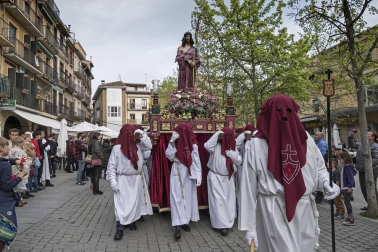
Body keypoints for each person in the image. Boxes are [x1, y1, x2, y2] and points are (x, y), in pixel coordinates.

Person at [239, 94, 340, 252]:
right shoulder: (256, 144)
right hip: (274, 209)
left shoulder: (306, 139)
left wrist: (327, 182)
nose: (284, 115)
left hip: (305, 206)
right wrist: (249, 227)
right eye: (278, 110)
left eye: (288, 110)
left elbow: (319, 168)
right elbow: (248, 187)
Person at [107, 125, 153, 240]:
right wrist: (112, 181)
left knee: (135, 203)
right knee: (121, 204)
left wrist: (142, 135)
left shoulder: (139, 145)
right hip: (122, 179)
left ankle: (132, 221)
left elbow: (149, 146)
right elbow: (111, 166)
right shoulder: (117, 148)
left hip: (136, 178)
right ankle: (119, 228)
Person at [166, 123, 202, 239]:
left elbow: (196, 160)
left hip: (188, 172)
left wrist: (198, 175)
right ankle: (177, 225)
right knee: (176, 197)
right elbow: (170, 156)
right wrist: (172, 142)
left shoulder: (193, 145)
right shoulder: (175, 143)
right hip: (177, 170)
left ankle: (185, 221)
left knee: (187, 197)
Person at [204, 127, 241, 236]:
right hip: (215, 177)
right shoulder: (215, 145)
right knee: (217, 202)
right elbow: (207, 146)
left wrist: (231, 154)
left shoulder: (233, 147)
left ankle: (228, 222)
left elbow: (239, 161)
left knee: (228, 202)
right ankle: (220, 225)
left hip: (228, 178)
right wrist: (218, 134)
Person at [0, 137, 25, 251]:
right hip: (3, 200)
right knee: (4, 230)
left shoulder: (4, 163)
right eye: (7, 147)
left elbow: (6, 160)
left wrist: (15, 161)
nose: (9, 149)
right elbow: (6, 186)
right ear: (1, 148)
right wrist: (20, 176)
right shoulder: (4, 166)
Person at [348, 129, 378, 210]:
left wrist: (368, 166)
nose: (366, 135)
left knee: (371, 188)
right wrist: (351, 136)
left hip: (370, 171)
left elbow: (376, 159)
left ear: (373, 137)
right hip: (361, 170)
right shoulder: (362, 144)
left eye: (368, 134)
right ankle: (370, 205)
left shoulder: (375, 146)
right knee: (363, 188)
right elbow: (353, 145)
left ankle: (375, 205)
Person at [338, 152, 357, 226]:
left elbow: (350, 178)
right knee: (346, 202)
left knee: (347, 202)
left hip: (347, 187)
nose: (340, 161)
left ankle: (351, 218)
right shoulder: (346, 167)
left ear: (345, 158)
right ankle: (349, 217)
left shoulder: (347, 167)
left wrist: (350, 186)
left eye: (341, 159)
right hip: (345, 187)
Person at [314, 132, 328, 203]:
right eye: (315, 135)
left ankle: (319, 198)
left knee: (320, 181)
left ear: (322, 136)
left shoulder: (321, 143)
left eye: (317, 135)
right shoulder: (317, 143)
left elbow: (322, 155)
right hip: (318, 164)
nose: (315, 136)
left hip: (320, 165)